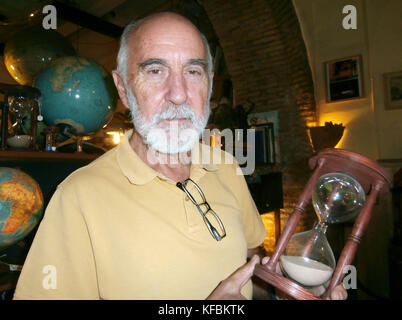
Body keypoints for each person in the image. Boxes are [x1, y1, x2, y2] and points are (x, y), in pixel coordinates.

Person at [13, 12, 346, 300]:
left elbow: (248, 275)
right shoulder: (78, 197)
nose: (178, 94)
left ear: (210, 84)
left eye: (193, 71)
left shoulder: (226, 167)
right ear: (124, 89)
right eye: (155, 70)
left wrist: (292, 290)